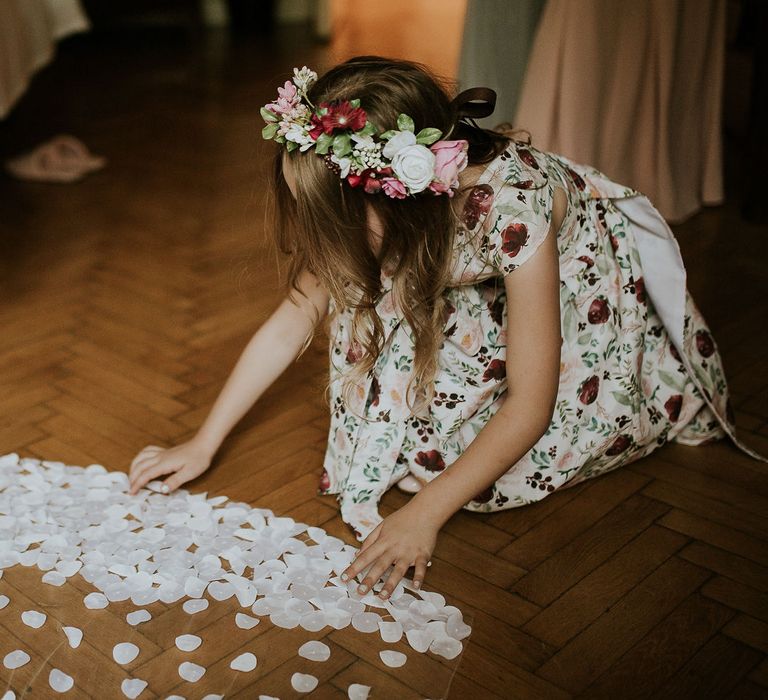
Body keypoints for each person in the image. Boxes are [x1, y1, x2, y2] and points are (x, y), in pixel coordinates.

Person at [127, 56, 763, 600]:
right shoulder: (380, 205)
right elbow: (296, 314)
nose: (327, 243)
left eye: (343, 227)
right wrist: (204, 441)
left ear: (405, 196)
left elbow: (533, 401)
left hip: (560, 285)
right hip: (451, 253)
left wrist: (423, 515)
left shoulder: (512, 211)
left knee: (470, 472)